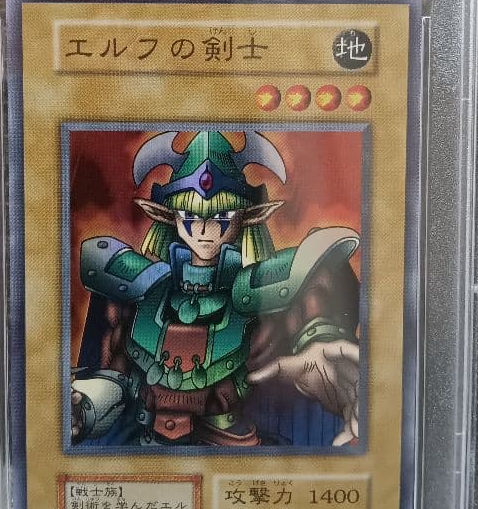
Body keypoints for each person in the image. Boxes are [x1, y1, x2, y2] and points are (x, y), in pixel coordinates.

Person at [71, 130, 360, 447]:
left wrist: (320, 339)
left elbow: (316, 281)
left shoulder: (256, 290)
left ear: (245, 218)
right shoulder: (145, 289)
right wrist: (87, 404)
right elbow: (117, 373)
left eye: (222, 216)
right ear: (171, 217)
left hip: (232, 445)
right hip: (148, 445)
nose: (204, 229)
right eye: (190, 215)